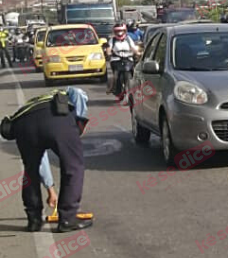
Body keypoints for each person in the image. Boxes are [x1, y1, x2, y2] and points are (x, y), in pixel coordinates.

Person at [6, 86, 91, 232]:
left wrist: (50, 189)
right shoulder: (72, 95)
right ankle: (67, 219)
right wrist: (79, 121)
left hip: (23, 124)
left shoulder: (37, 101)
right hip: (57, 121)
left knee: (30, 170)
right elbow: (77, 92)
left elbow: (41, 163)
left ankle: (34, 220)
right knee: (73, 167)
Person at [105, 23, 141, 98]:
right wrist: (108, 53)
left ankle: (135, 88)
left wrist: (137, 53)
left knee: (134, 73)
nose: (120, 33)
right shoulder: (112, 40)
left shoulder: (128, 39)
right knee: (115, 76)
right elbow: (109, 48)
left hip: (128, 59)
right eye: (117, 31)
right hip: (116, 60)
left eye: (121, 31)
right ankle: (113, 88)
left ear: (125, 31)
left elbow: (133, 47)